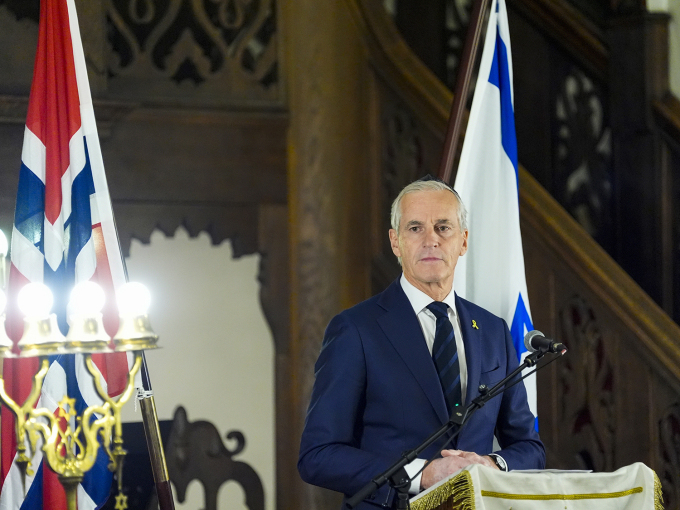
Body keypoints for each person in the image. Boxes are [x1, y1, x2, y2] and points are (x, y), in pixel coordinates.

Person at [298, 178, 545, 509]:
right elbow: (318, 456)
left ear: (463, 241)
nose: (431, 240)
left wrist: (491, 465)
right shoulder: (355, 329)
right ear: (396, 242)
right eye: (415, 228)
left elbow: (529, 447)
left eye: (443, 227)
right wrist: (422, 474)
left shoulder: (492, 330)